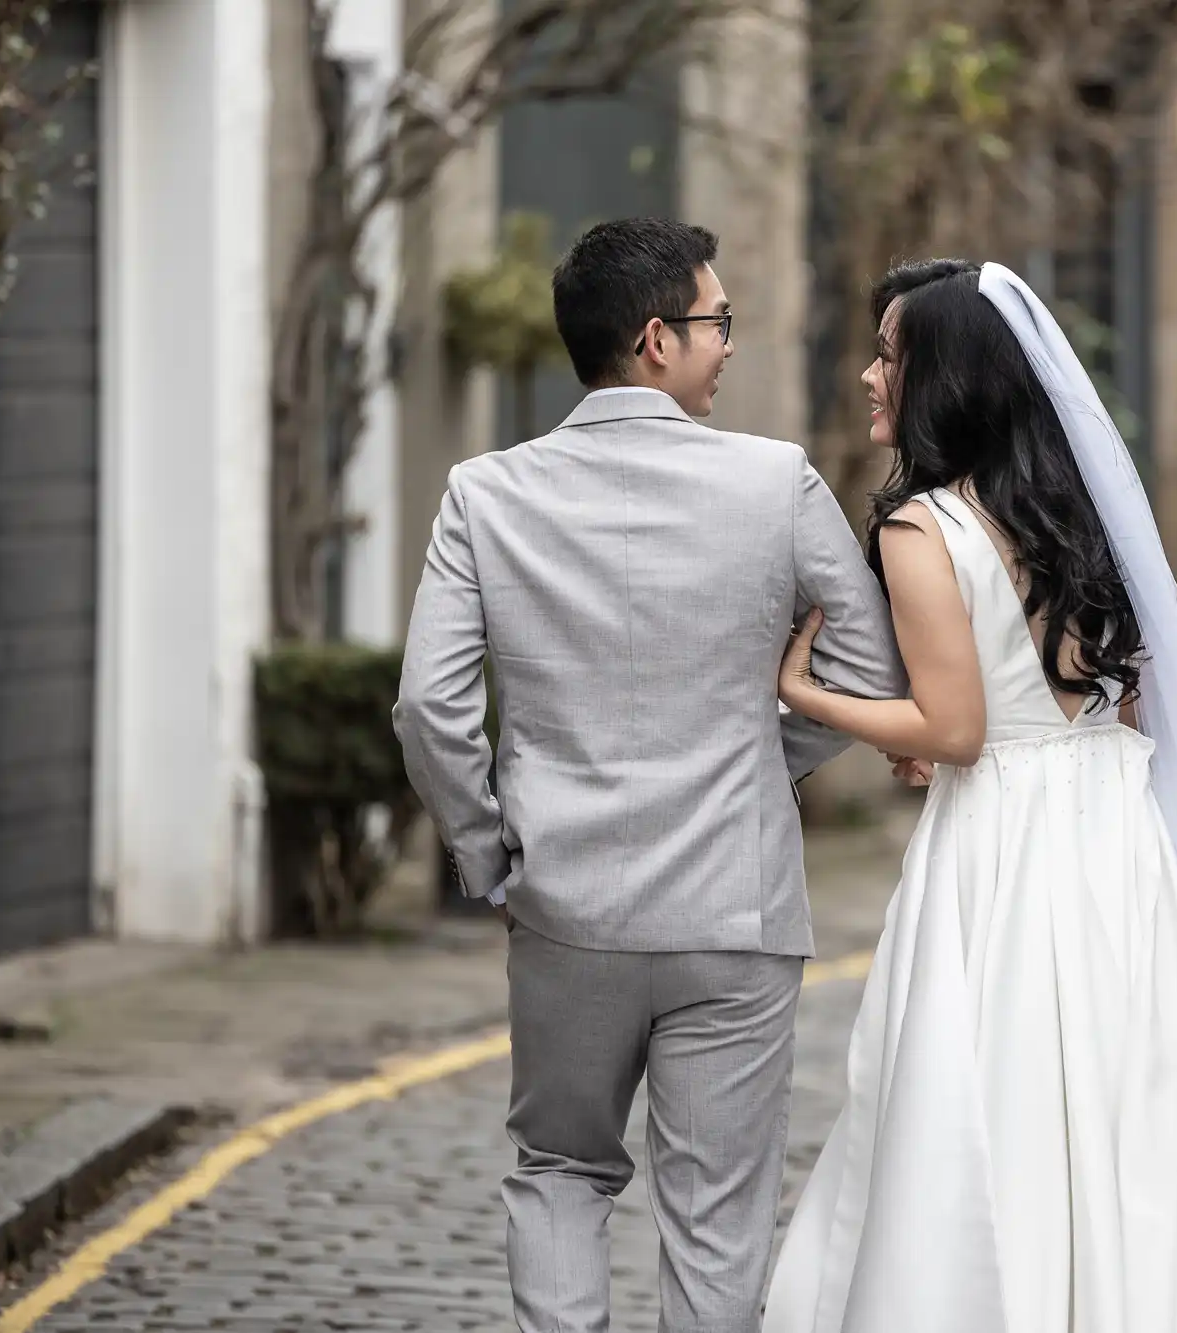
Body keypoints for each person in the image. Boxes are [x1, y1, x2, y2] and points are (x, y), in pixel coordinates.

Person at [761, 259, 1177, 1332]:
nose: (867, 377)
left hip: (1005, 842)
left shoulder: (921, 530)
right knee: (1133, 1096)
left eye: (887, 357)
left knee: (987, 1093)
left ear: (945, 379)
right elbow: (1106, 701)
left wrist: (808, 692)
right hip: (1114, 836)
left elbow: (953, 730)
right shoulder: (1073, 515)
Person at [393, 218, 904, 1333]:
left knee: (559, 1169)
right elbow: (866, 663)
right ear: (655, 339)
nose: (729, 344)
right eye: (717, 323)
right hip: (735, 903)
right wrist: (761, 763)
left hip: (565, 904)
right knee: (717, 1217)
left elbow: (429, 709)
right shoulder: (776, 482)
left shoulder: (484, 494)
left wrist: (489, 853)